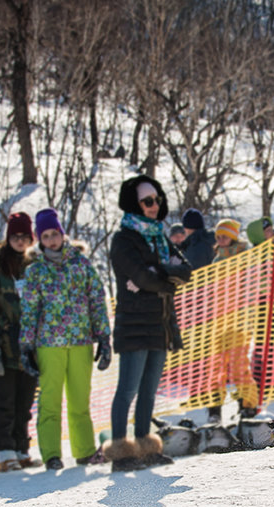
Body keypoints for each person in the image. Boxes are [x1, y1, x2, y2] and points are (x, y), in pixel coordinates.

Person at [104, 174, 192, 472]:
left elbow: (186, 270)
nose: (154, 206)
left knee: (149, 389)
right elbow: (140, 276)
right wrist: (165, 280)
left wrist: (158, 272)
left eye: (157, 200)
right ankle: (120, 451)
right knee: (128, 389)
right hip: (133, 324)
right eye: (147, 201)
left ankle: (144, 446)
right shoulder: (124, 239)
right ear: (135, 204)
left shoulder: (159, 236)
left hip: (161, 323)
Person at [17, 208, 111, 470]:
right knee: (50, 400)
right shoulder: (36, 271)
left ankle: (84, 450)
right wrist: (26, 345)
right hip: (49, 344)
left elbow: (96, 300)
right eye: (45, 236)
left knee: (80, 400)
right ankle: (51, 454)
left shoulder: (81, 264)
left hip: (80, 341)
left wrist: (103, 337)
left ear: (61, 234)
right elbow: (30, 310)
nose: (51, 240)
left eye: (54, 234)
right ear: (39, 239)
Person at [0, 212, 39, 471]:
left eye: (25, 237)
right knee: (5, 400)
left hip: (30, 342)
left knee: (25, 400)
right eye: (16, 236)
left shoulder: (34, 264)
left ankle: (21, 448)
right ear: (8, 237)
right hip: (3, 342)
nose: (20, 241)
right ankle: (4, 452)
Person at [204, 218, 255, 422]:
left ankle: (247, 406)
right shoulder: (217, 259)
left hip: (239, 322)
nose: (221, 239)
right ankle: (214, 411)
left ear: (233, 237)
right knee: (216, 367)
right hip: (219, 321)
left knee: (238, 365)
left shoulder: (244, 255)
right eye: (218, 236)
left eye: (225, 235)